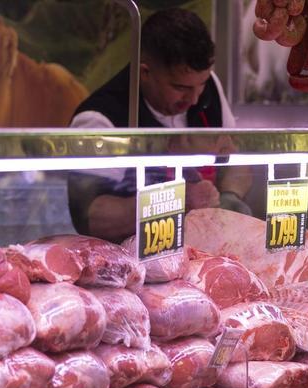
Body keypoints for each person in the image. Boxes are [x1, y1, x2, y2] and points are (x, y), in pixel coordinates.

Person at [68, 7, 251, 242]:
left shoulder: (208, 87)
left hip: (198, 255)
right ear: (145, 73)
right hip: (128, 263)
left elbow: (239, 160)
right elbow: (91, 218)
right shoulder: (100, 119)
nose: (194, 99)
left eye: (201, 84)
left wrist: (230, 196)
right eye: (180, 88)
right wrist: (176, 200)